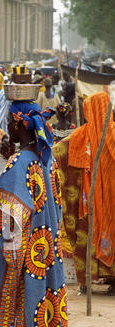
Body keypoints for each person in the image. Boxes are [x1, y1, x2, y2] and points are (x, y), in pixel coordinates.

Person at [0, 100, 69, 327]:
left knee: (16, 300)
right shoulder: (47, 158)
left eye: (9, 123)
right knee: (43, 295)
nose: (7, 129)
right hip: (45, 244)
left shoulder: (19, 161)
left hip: (25, 250)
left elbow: (13, 210)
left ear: (18, 125)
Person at [52, 91, 115, 295]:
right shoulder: (108, 135)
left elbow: (58, 151)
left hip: (89, 203)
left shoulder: (80, 136)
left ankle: (87, 281)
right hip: (107, 204)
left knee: (85, 235)